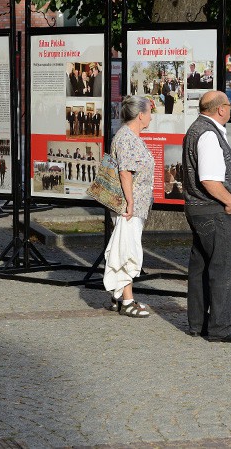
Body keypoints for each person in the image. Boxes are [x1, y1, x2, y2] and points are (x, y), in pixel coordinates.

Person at [182, 90, 231, 343]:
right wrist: (230, 200)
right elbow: (209, 180)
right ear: (221, 109)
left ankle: (197, 324)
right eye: (229, 105)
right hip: (212, 210)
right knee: (223, 269)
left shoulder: (196, 128)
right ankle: (221, 328)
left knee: (200, 268)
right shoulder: (209, 134)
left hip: (198, 209)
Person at [103, 95, 155, 318]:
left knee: (126, 248)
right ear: (141, 115)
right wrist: (131, 202)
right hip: (128, 206)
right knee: (127, 251)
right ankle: (127, 301)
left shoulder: (131, 136)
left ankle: (119, 297)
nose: (151, 117)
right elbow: (125, 172)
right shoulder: (126, 138)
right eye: (149, 112)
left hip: (134, 205)